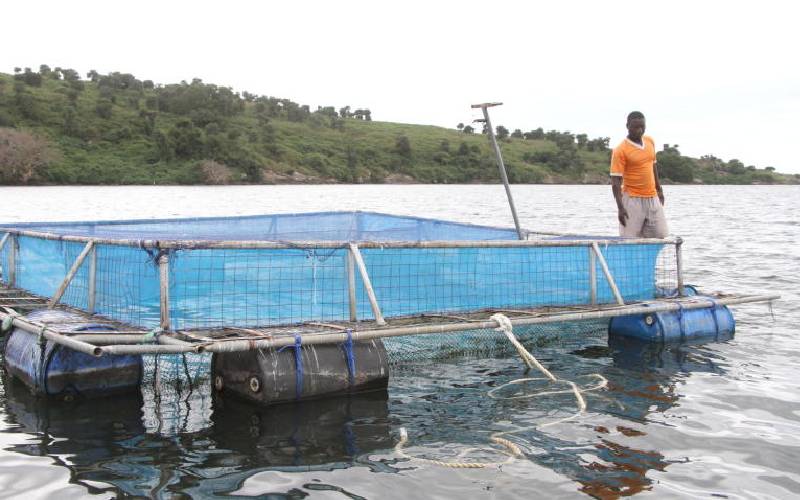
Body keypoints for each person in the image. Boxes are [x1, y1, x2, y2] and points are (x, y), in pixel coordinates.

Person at [609, 111, 668, 238]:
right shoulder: (620, 150)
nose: (639, 130)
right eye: (636, 127)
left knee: (660, 235)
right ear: (627, 126)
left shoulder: (650, 141)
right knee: (629, 239)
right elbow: (615, 182)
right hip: (632, 199)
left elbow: (653, 166)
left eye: (642, 126)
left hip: (652, 197)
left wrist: (659, 190)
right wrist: (620, 208)